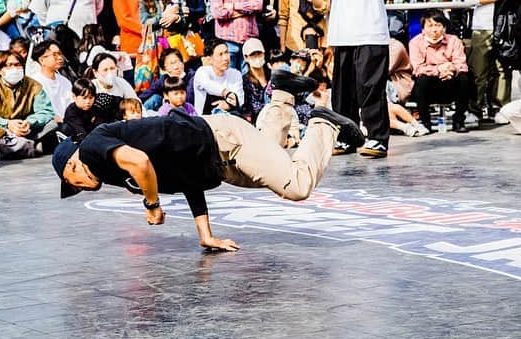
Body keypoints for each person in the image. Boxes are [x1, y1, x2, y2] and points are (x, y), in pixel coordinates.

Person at [51, 102, 365, 251]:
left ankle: (324, 124)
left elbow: (141, 161)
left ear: (73, 164)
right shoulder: (116, 173)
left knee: (296, 186)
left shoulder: (94, 146)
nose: (80, 187)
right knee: (275, 174)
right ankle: (281, 99)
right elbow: (186, 179)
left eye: (73, 181)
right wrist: (206, 235)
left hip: (223, 138)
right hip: (216, 163)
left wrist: (152, 204)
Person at [320, 0, 391, 158]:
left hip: (370, 28)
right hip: (343, 30)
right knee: (343, 89)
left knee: (370, 86)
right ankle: (347, 137)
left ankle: (377, 138)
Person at [0, 51, 57, 158]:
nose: (14, 69)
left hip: (25, 129)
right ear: (0, 70)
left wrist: (29, 122)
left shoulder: (33, 85)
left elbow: (46, 111)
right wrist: (8, 124)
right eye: (9, 65)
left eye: (17, 65)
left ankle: (19, 146)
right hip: (0, 130)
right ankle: (30, 147)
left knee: (51, 124)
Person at [408, 11, 472, 133]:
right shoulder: (415, 43)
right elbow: (417, 68)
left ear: (444, 27)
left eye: (438, 25)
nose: (434, 30)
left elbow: (462, 65)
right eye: (430, 26)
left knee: (464, 78)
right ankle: (425, 122)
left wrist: (451, 68)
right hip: (429, 84)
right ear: (423, 29)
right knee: (421, 80)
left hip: (450, 80)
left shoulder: (454, 40)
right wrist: (438, 69)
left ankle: (459, 121)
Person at [193, 38, 244, 114]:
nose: (225, 58)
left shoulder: (236, 74)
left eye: (226, 52)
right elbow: (209, 85)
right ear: (209, 59)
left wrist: (228, 105)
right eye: (220, 54)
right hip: (204, 120)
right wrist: (226, 93)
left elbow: (240, 99)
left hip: (230, 117)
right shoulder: (202, 72)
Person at [29, 40, 73, 123]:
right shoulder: (34, 82)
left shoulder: (65, 81)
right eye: (54, 55)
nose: (60, 58)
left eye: (60, 54)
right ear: (42, 60)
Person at [241, 37, 270, 122]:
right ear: (246, 57)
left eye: (259, 53)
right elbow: (253, 107)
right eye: (253, 54)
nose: (257, 57)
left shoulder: (272, 75)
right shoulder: (245, 81)